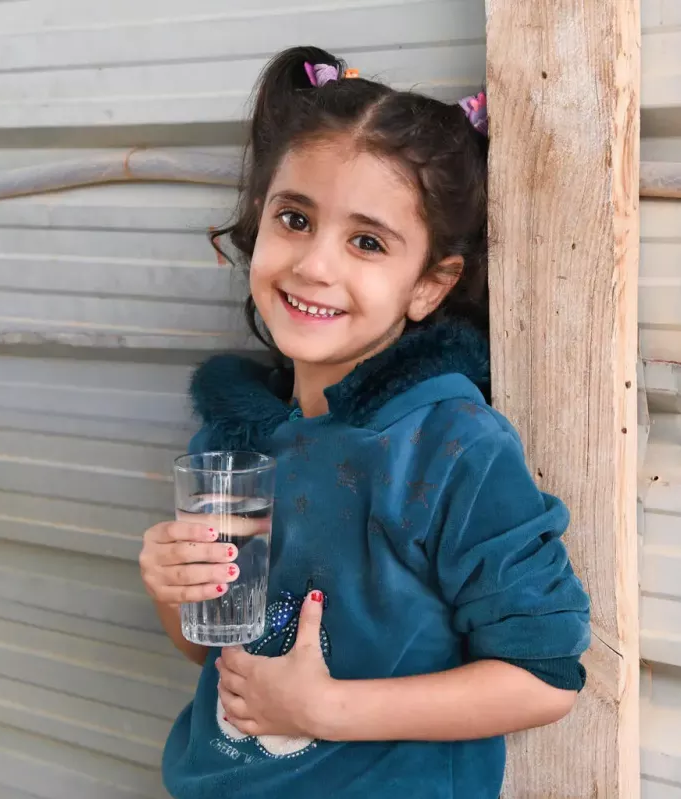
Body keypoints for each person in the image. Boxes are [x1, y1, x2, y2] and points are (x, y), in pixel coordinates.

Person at [137, 45, 591, 798]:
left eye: (367, 242)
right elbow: (214, 654)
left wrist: (327, 708)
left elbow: (542, 678)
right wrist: (171, 587)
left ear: (429, 285)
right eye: (294, 219)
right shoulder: (233, 440)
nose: (315, 265)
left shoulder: (448, 448)